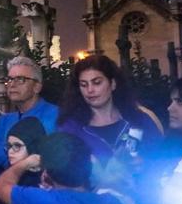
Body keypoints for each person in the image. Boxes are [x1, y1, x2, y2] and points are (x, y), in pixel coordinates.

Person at [56, 55, 163, 185]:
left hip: (143, 199)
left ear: (112, 84)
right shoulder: (71, 128)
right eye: (83, 85)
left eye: (97, 82)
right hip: (93, 202)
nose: (90, 90)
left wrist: (145, 164)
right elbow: (64, 175)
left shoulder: (139, 119)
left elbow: (161, 157)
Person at [0, 56, 59, 173]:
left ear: (37, 86)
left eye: (20, 79)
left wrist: (2, 150)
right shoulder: (4, 120)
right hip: (6, 189)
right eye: (9, 79)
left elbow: (54, 160)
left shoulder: (56, 117)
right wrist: (20, 154)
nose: (12, 84)